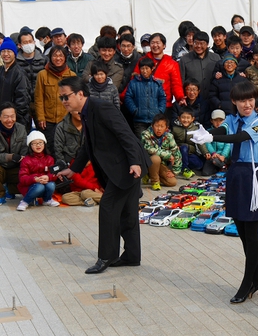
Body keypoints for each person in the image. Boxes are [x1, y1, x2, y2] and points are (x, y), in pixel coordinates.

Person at [58, 76, 151, 274]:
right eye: (61, 98)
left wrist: (134, 162)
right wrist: (74, 169)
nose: (64, 101)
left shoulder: (101, 108)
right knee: (127, 213)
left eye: (66, 97)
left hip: (127, 167)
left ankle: (106, 256)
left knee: (108, 210)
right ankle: (132, 256)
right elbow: (88, 146)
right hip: (121, 167)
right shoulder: (85, 111)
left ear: (80, 94)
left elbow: (125, 134)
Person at [189, 80, 258, 304]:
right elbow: (224, 129)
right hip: (236, 175)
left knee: (251, 233)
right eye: (243, 100)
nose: (248, 104)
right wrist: (204, 132)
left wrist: (212, 138)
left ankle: (248, 283)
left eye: (251, 99)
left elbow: (240, 137)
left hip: (253, 176)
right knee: (243, 231)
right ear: (234, 101)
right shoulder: (233, 119)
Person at [133, 33, 186, 123]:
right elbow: (134, 80)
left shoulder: (172, 63)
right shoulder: (142, 60)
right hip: (144, 104)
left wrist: (180, 97)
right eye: (152, 43)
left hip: (163, 104)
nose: (155, 45)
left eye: (158, 43)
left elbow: (176, 83)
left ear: (164, 45)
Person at [35, 45, 76, 156]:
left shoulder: (72, 76)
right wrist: (41, 117)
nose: (58, 58)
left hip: (66, 119)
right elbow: (39, 98)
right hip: (48, 120)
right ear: (50, 57)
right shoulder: (42, 75)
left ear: (65, 57)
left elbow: (75, 101)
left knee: (66, 147)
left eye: (61, 55)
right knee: (50, 147)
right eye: (55, 55)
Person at [17, 130, 60, 211]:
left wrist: (48, 177)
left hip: (44, 184)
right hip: (31, 186)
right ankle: (25, 201)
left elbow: (54, 174)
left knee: (51, 185)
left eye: (40, 142)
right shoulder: (26, 160)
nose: (38, 145)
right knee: (39, 187)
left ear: (44, 144)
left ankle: (47, 200)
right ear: (30, 146)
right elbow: (22, 178)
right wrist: (35, 179)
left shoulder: (49, 159)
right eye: (34, 143)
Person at [125, 57, 167, 139]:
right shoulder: (134, 83)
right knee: (142, 142)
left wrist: (160, 111)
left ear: (152, 69)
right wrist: (134, 110)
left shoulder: (157, 83)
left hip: (154, 120)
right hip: (139, 120)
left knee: (154, 142)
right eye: (142, 68)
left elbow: (162, 98)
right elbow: (128, 97)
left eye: (147, 68)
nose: (144, 71)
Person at [141, 113, 182, 190]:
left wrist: (175, 171)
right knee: (155, 158)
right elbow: (149, 149)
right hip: (148, 162)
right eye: (157, 126)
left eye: (162, 126)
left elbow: (176, 152)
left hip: (162, 164)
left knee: (172, 182)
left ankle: (151, 174)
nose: (159, 129)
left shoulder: (169, 136)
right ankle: (155, 181)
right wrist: (168, 155)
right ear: (152, 126)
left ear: (166, 128)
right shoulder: (146, 134)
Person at [179, 31, 221, 101]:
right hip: (192, 100)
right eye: (196, 43)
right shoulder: (184, 60)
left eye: (202, 44)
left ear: (207, 44)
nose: (198, 46)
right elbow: (181, 81)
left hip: (212, 99)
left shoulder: (216, 58)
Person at [0, 102, 27, 205]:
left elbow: (25, 148)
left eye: (12, 116)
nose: (10, 120)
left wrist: (22, 158)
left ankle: (10, 189)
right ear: (0, 117)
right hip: (1, 166)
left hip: (15, 167)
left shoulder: (21, 128)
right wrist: (10, 157)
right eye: (6, 117)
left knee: (28, 176)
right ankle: (0, 195)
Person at [0, 37, 31, 128]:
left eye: (9, 51)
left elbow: (23, 99)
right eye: (3, 51)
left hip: (15, 120)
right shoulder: (1, 70)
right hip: (3, 118)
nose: (6, 54)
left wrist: (13, 117)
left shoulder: (19, 73)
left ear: (15, 54)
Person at [172, 107, 210, 179]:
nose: (185, 120)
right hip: (179, 151)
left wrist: (205, 152)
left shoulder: (195, 129)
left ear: (192, 119)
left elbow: (200, 142)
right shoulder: (175, 128)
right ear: (179, 118)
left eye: (188, 118)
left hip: (190, 153)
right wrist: (175, 147)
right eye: (183, 117)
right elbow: (171, 140)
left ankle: (183, 165)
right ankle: (185, 169)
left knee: (199, 165)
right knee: (184, 147)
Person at [202, 109, 230, 176]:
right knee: (205, 173)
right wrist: (213, 153)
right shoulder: (208, 131)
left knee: (217, 161)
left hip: (224, 157)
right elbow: (207, 143)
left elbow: (228, 145)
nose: (218, 123)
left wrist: (223, 155)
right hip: (213, 156)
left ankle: (225, 167)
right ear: (211, 121)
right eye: (215, 120)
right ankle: (218, 168)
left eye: (221, 120)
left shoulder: (227, 131)